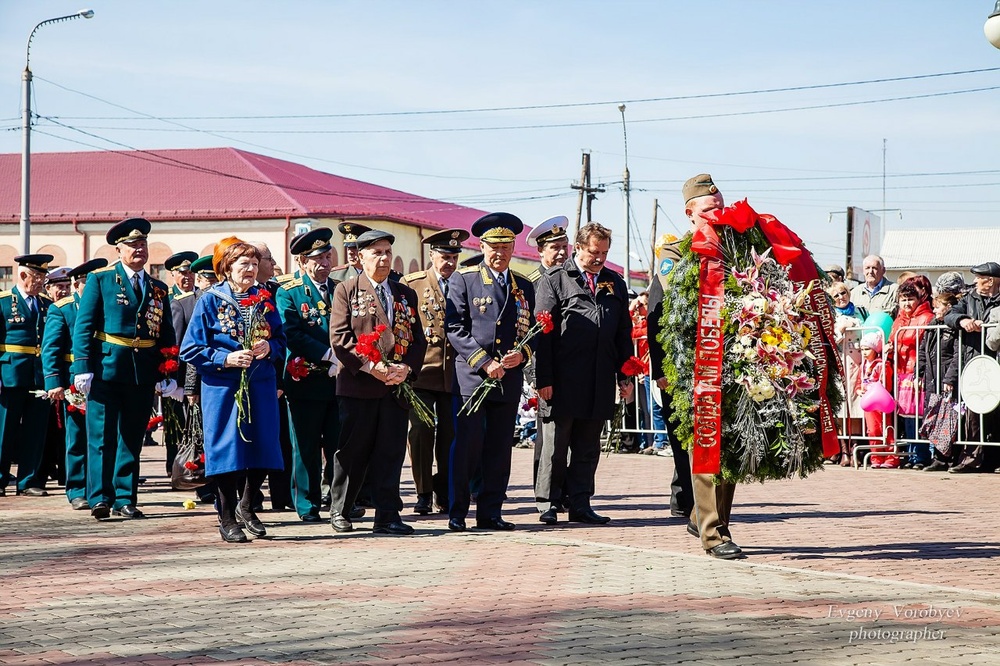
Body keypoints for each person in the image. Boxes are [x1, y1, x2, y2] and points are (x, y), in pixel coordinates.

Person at [72, 218, 179, 520]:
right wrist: (82, 367)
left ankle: (125, 497)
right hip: (105, 368)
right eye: (132, 245)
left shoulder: (158, 288)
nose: (139, 249)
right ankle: (100, 498)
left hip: (142, 371)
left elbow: (166, 333)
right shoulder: (101, 279)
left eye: (142, 244)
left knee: (132, 436)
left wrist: (167, 372)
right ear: (118, 249)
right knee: (102, 437)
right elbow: (84, 326)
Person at [180, 237, 285, 543]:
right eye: (244, 264)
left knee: (264, 447)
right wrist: (224, 358)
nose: (251, 269)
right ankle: (226, 517)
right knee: (228, 452)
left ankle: (247, 505)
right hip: (223, 387)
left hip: (260, 384)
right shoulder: (210, 300)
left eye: (255, 264)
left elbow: (281, 339)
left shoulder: (265, 299)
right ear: (227, 268)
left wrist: (271, 345)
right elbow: (191, 348)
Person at [328, 229, 427, 535]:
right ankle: (341, 509)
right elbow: (340, 339)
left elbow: (418, 341)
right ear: (359, 257)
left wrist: (405, 371)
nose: (383, 259)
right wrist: (372, 367)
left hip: (395, 388)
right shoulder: (346, 290)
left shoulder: (404, 293)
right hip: (360, 386)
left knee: (391, 451)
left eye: (386, 252)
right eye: (376, 253)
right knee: (352, 451)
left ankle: (387, 515)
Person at [534, 222, 633, 525]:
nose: (600, 258)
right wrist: (543, 379)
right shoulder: (555, 279)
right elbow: (542, 334)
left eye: (604, 252)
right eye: (594, 252)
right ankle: (548, 503)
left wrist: (625, 374)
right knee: (555, 445)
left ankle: (580, 503)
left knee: (588, 448)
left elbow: (622, 334)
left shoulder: (614, 282)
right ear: (577, 248)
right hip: (563, 380)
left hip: (598, 378)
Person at [446, 212, 534, 532]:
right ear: (482, 246)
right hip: (472, 377)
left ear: (513, 247)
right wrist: (484, 361)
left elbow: (531, 331)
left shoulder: (523, 284)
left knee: (498, 448)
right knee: (467, 446)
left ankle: (491, 512)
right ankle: (457, 511)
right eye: (493, 247)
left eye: (506, 247)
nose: (500, 254)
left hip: (507, 379)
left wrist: (521, 354)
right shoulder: (464, 279)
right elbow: (454, 328)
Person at [400, 228, 470, 515]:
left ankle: (445, 492)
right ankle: (423, 492)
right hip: (422, 373)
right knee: (421, 431)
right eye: (444, 256)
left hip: (455, 375)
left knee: (451, 436)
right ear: (432, 256)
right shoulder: (413, 284)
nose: (449, 262)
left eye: (454, 257)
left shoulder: (465, 284)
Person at [276, 227, 342, 522]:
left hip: (339, 381)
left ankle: (340, 500)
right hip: (306, 380)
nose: (324, 264)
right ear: (303, 262)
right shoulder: (288, 292)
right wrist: (328, 354)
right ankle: (307, 503)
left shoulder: (341, 289)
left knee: (339, 444)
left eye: (327, 257)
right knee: (305, 446)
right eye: (317, 259)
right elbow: (291, 333)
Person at [40, 258, 108, 509]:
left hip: (101, 378)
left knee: (101, 436)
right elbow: (51, 349)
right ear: (78, 285)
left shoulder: (105, 307)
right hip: (73, 381)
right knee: (77, 436)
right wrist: (54, 382)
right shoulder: (64, 308)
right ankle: (77, 489)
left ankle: (99, 489)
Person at [647, 234, 694, 520]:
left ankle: (684, 496)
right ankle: (683, 499)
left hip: (698, 369)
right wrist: (661, 371)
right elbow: (655, 323)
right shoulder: (664, 278)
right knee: (679, 437)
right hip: (673, 372)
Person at [525, 215, 570, 513]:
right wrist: (535, 375)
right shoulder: (532, 284)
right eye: (555, 247)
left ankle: (565, 493)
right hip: (543, 371)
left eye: (564, 246)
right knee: (547, 438)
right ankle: (545, 495)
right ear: (540, 251)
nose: (561, 253)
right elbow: (528, 332)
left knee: (568, 437)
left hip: (571, 370)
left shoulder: (571, 278)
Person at [0, 254, 55, 497]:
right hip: (10, 374)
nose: (42, 281)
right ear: (23, 275)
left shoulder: (46, 304)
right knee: (4, 429)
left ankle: (29, 480)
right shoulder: (3, 302)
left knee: (36, 430)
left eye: (44, 276)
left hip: (39, 376)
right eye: (38, 276)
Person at [249, 240, 294, 512]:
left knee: (280, 441)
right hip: (245, 380)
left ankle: (282, 496)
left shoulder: (276, 292)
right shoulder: (230, 295)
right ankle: (250, 499)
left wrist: (281, 381)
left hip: (274, 380)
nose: (274, 265)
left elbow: (282, 337)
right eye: (269, 260)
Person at [945, 262, 1000, 473]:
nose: (975, 281)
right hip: (974, 362)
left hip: (996, 361)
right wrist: (963, 320)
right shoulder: (969, 298)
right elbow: (949, 315)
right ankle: (971, 458)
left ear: (991, 280)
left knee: (996, 412)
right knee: (974, 412)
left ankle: (994, 459)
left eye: (979, 277)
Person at [888, 276, 934, 469]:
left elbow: (918, 342)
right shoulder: (899, 319)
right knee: (907, 414)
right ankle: (912, 455)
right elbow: (893, 338)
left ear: (920, 299)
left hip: (917, 371)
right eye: (903, 299)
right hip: (901, 372)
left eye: (910, 299)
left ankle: (922, 455)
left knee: (919, 414)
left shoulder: (926, 317)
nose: (906, 303)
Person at [921, 291, 961, 472]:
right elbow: (922, 350)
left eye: (937, 306)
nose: (934, 309)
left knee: (950, 417)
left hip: (946, 375)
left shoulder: (954, 327)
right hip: (931, 376)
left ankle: (952, 455)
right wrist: (919, 373)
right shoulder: (932, 324)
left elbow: (958, 354)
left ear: (948, 308)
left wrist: (950, 377)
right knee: (934, 417)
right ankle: (938, 457)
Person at [829, 281, 866, 466]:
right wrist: (840, 331)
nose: (840, 297)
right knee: (842, 407)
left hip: (858, 363)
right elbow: (829, 339)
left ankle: (856, 449)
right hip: (840, 363)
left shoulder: (860, 311)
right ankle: (844, 450)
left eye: (843, 293)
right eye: (836, 295)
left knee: (857, 405)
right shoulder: (831, 314)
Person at [859, 332, 896, 468]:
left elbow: (886, 383)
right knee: (872, 430)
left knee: (886, 428)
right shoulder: (863, 365)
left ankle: (891, 457)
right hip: (868, 402)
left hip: (880, 401)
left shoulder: (882, 364)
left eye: (867, 349)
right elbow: (860, 381)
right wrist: (860, 389)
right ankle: (876, 458)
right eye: (862, 349)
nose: (864, 352)